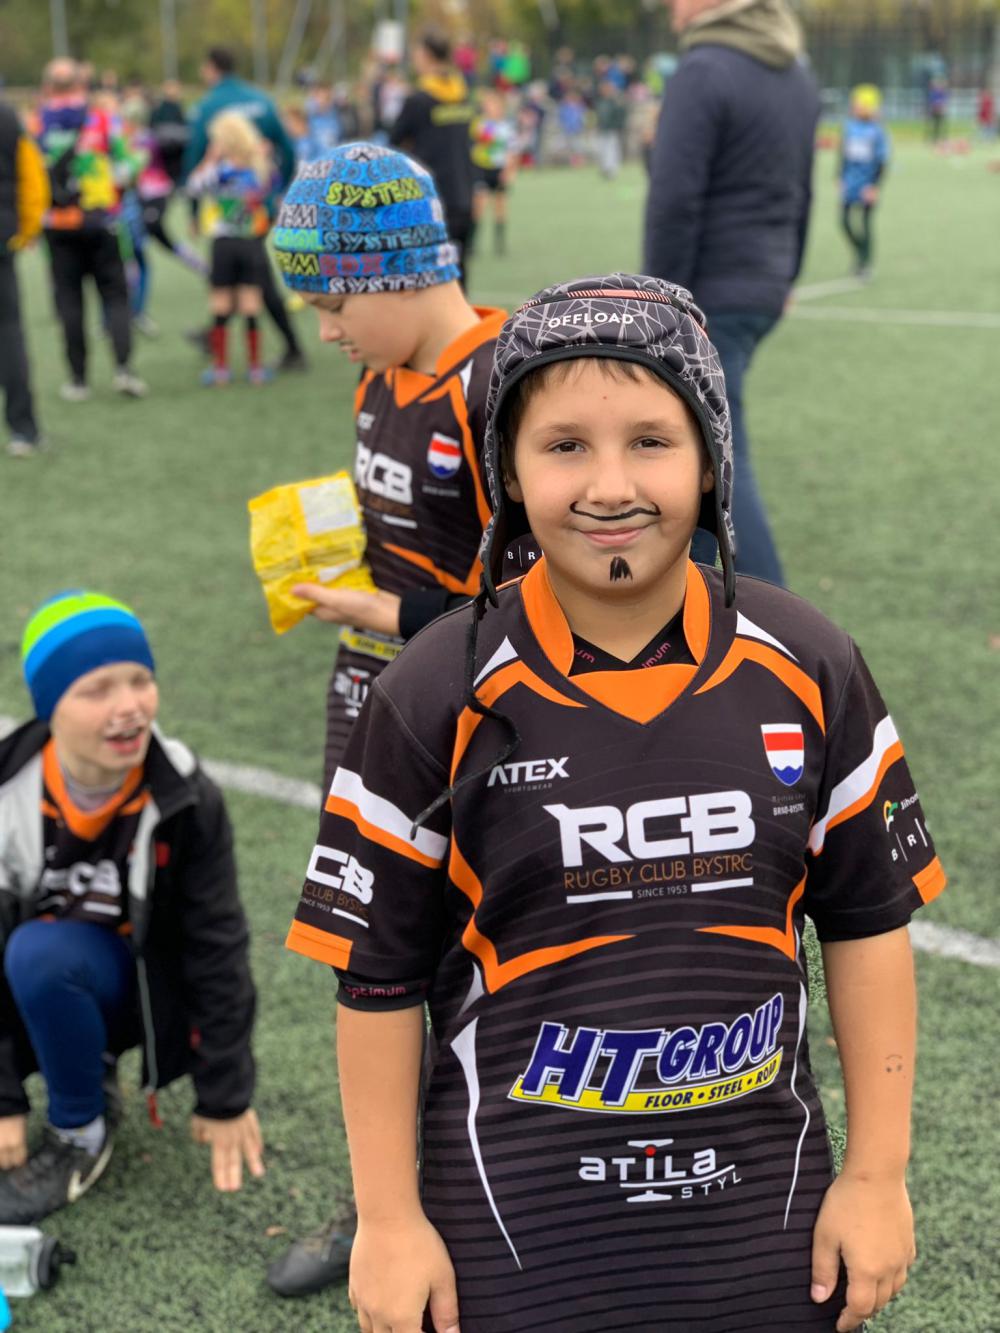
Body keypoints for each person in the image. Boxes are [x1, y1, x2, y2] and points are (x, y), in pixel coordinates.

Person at [286, 272, 944, 1333]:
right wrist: (390, 1217)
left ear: (710, 458)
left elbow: (868, 923)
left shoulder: (808, 663)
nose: (609, 485)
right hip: (510, 1230)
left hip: (761, 1224)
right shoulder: (432, 690)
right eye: (564, 445)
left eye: (650, 441)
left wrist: (875, 1176)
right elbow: (376, 978)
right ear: (507, 469)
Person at [265, 143, 507, 1298]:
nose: (325, 330)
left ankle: (477, 1187)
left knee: (476, 952)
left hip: (473, 721)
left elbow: (534, 600)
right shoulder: (379, 375)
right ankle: (384, 1200)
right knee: (374, 950)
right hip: (367, 702)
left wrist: (386, 610)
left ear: (403, 269)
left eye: (333, 302)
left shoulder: (495, 382)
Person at [0, 592, 262, 1223]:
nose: (128, 706)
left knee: (42, 953)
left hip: (138, 996)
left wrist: (225, 1095)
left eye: (140, 680)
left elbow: (216, 946)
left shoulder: (185, 797)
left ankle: (79, 1131)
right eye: (97, 690)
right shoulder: (9, 792)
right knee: (34, 954)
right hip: (26, 993)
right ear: (50, 706)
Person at [644, 0, 819, 588]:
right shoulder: (794, 71)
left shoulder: (703, 69)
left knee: (719, 460)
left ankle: (773, 616)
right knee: (697, 443)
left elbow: (674, 200)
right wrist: (786, 274)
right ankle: (683, 596)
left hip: (711, 290)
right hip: (761, 284)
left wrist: (658, 301)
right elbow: (803, 190)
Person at [183, 46, 307, 373]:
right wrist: (278, 192)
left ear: (211, 68)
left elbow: (194, 162)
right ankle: (222, 339)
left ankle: (287, 348)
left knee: (250, 281)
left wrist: (193, 212)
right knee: (252, 275)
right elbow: (288, 150)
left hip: (226, 223)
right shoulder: (261, 99)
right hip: (258, 210)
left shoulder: (208, 105)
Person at [36, 58, 147, 402]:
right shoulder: (101, 120)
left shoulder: (38, 124)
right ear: (81, 85)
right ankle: (124, 370)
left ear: (47, 87)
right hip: (102, 221)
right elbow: (129, 164)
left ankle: (78, 380)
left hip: (57, 225)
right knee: (115, 295)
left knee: (69, 301)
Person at [187, 112, 274, 386]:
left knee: (221, 304)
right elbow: (271, 188)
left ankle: (221, 368)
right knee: (251, 304)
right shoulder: (258, 166)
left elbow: (193, 187)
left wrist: (209, 159)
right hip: (250, 241)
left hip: (223, 243)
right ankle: (255, 368)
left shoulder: (219, 169)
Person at [389, 28, 476, 282]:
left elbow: (394, 141)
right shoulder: (463, 93)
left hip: (430, 199)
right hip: (464, 194)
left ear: (426, 54)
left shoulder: (418, 99)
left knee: (430, 277)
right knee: (459, 273)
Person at [0, 98, 48, 458]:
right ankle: (23, 429)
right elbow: (32, 177)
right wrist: (27, 229)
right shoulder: (7, 116)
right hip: (2, 238)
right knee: (8, 332)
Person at [839, 85, 889, 281]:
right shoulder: (849, 127)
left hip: (867, 184)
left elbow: (882, 161)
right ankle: (860, 252)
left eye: (859, 104)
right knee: (844, 222)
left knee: (865, 224)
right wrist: (840, 178)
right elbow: (843, 155)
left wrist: (874, 186)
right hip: (850, 182)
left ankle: (865, 263)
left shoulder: (877, 131)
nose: (855, 108)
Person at [470, 89, 515, 255]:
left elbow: (512, 151)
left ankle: (499, 244)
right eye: (487, 104)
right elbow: (478, 142)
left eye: (493, 104)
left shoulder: (507, 127)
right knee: (478, 207)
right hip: (482, 169)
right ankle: (472, 244)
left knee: (500, 206)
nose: (489, 107)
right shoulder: (480, 124)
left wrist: (508, 171)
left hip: (499, 169)